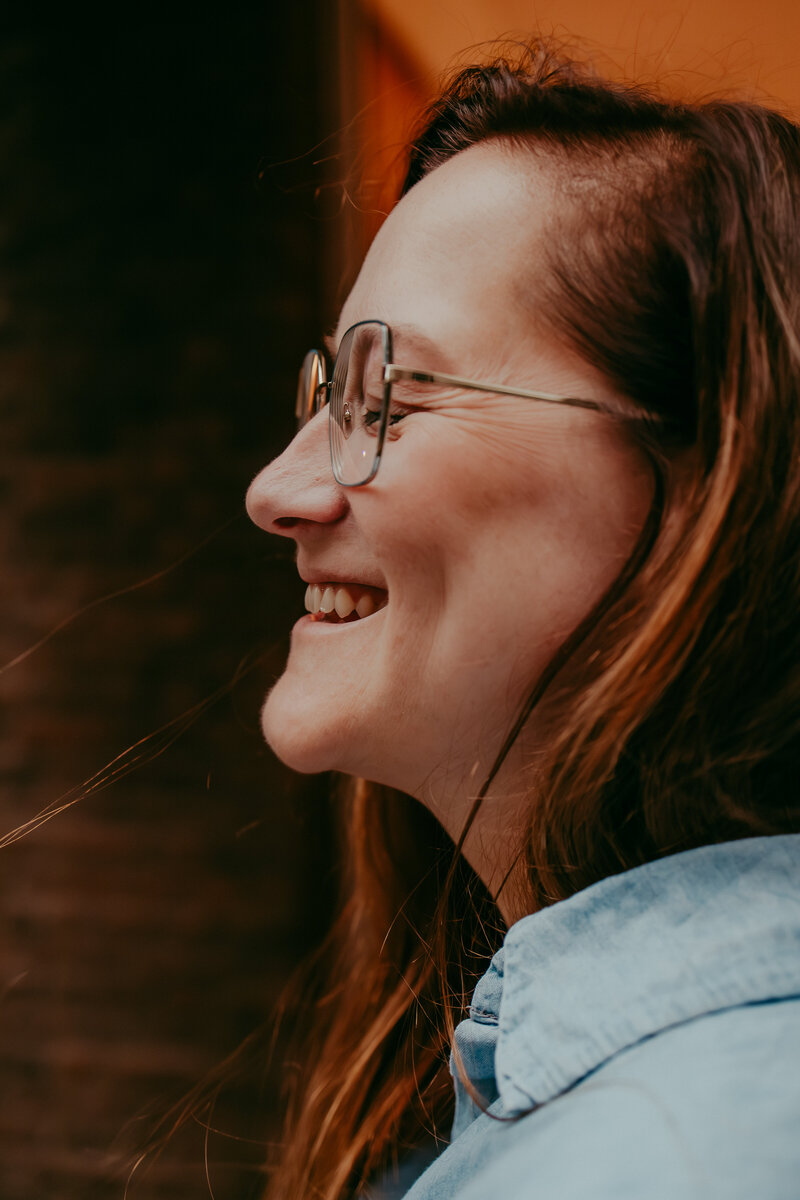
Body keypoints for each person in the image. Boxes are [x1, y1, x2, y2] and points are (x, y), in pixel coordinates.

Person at [245, 41, 800, 1200]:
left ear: (714, 478)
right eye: (326, 392)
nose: (275, 491)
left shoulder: (660, 1162)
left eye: (391, 396)